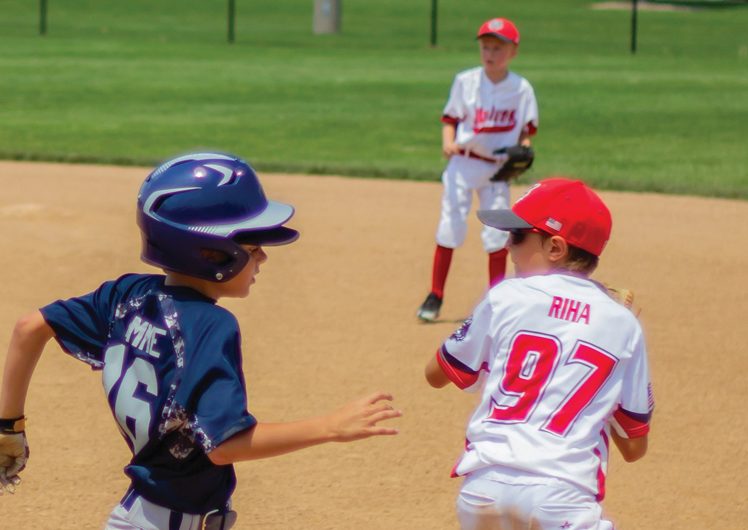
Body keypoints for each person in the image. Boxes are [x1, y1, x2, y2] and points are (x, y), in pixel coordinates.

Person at [0, 152, 401, 529]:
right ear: (210, 253)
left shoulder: (126, 296)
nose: (262, 257)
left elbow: (29, 327)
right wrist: (330, 427)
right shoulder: (211, 326)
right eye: (251, 245)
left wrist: (8, 427)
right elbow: (225, 445)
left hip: (140, 510)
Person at [424, 178, 654, 529]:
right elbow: (634, 449)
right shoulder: (622, 325)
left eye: (517, 236)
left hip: (482, 493)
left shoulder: (505, 297)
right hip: (562, 499)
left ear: (556, 247)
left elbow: (436, 374)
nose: (508, 245)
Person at [417, 17, 539, 322]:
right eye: (486, 47)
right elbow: (450, 118)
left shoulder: (521, 89)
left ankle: (495, 301)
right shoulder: (465, 81)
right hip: (463, 163)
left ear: (513, 51)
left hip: (498, 169)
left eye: (498, 48)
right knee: (451, 224)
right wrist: (448, 142)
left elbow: (527, 129)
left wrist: (523, 148)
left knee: (497, 233)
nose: (490, 53)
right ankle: (436, 295)